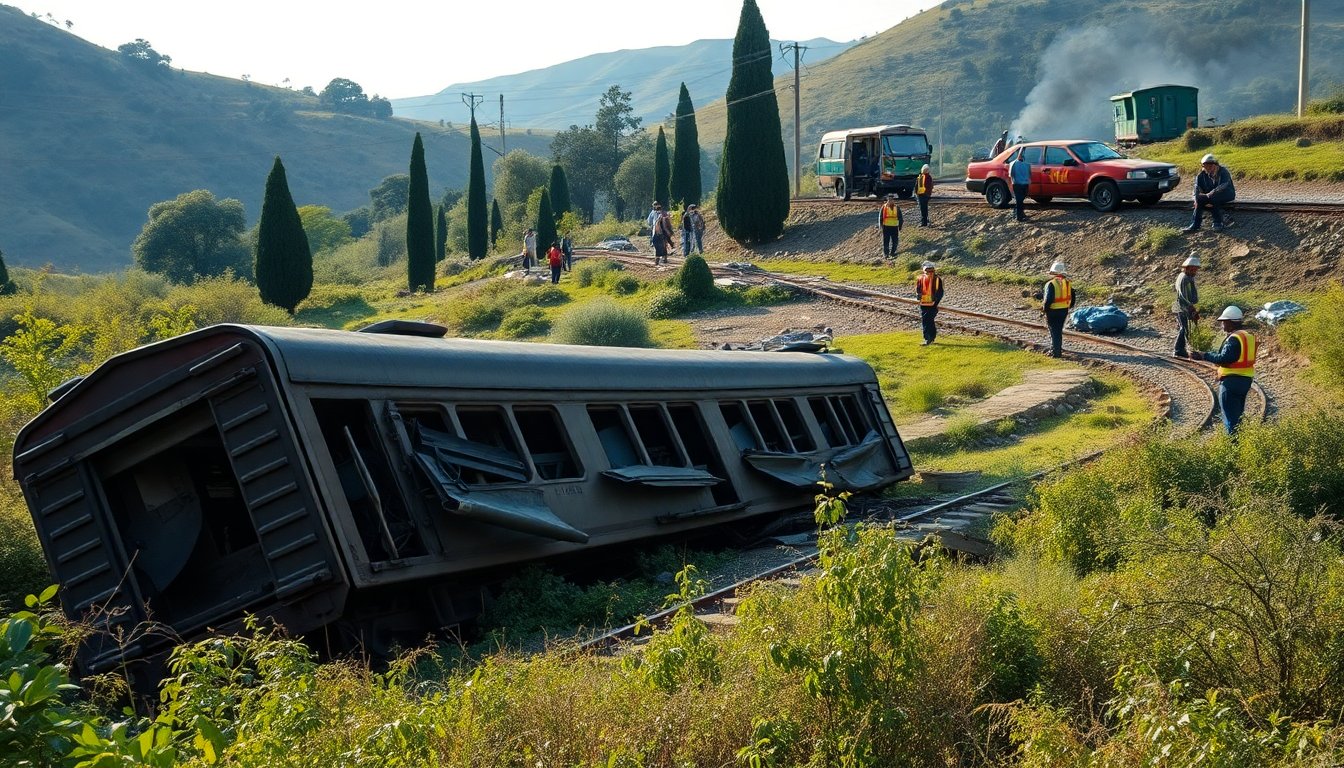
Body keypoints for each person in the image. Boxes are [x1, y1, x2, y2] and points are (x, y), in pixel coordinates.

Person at [1189, 306, 1256, 434]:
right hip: (1245, 381)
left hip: (1231, 382)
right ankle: (1239, 444)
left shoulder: (1234, 338)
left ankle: (1232, 448)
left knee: (1230, 418)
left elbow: (1225, 358)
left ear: (1231, 322)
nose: (1222, 325)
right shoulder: (1248, 336)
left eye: (1224, 322)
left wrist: (1204, 355)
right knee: (1238, 416)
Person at [1184, 153, 1235, 233]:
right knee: (1199, 199)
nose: (1209, 168)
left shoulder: (1223, 171)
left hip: (1227, 194)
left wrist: (1211, 194)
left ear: (1215, 165)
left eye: (1211, 166)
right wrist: (1196, 200)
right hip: (1210, 196)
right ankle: (1195, 225)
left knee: (1213, 198)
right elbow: (1196, 189)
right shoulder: (1201, 175)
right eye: (1206, 166)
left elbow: (1224, 185)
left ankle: (1218, 222)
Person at [1041, 260, 1074, 358]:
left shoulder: (1051, 283)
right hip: (1064, 310)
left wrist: (1045, 309)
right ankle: (1057, 347)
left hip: (1052, 310)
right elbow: (1072, 297)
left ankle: (1056, 352)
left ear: (1053, 273)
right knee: (1058, 330)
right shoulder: (1068, 283)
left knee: (1053, 330)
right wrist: (1068, 306)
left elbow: (1049, 299)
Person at [1171, 253, 1200, 358]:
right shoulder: (1184, 278)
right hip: (1179, 306)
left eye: (1195, 270)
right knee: (1184, 328)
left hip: (1183, 306)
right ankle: (1178, 350)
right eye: (1192, 269)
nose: (1194, 271)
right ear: (1187, 268)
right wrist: (1191, 308)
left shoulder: (1188, 277)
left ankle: (1181, 348)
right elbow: (1183, 296)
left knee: (1183, 327)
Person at [916, 261, 944, 345]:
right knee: (926, 320)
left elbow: (940, 292)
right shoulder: (920, 278)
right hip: (923, 303)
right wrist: (918, 295)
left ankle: (929, 338)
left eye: (931, 270)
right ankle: (929, 338)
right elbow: (918, 288)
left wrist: (935, 301)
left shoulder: (937, 279)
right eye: (928, 270)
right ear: (924, 270)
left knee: (928, 320)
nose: (930, 272)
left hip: (932, 304)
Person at [1008, 150, 1031, 222]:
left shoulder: (1025, 164)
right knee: (1019, 201)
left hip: (1021, 184)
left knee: (1019, 201)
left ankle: (1018, 214)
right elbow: (1011, 175)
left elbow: (1011, 175)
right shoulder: (1015, 164)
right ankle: (1019, 216)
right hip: (1019, 184)